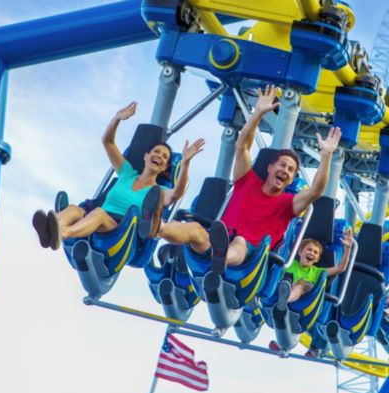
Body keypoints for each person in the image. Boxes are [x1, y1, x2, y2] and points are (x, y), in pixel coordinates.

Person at [139, 85, 342, 273]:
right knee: (195, 230)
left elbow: (316, 191)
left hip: (251, 255)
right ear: (270, 167)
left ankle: (221, 257)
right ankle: (157, 227)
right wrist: (258, 113)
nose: (286, 171)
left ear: (290, 181)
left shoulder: (288, 204)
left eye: (291, 170)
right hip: (219, 238)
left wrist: (326, 155)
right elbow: (242, 147)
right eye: (282, 165)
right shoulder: (247, 180)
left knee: (240, 243)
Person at [32, 101, 205, 250]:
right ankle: (50, 230)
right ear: (145, 156)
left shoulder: (158, 191)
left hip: (123, 228)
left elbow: (176, 194)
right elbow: (107, 142)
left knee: (98, 213)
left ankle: (63, 232)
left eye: (164, 156)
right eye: (156, 152)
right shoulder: (127, 172)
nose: (159, 156)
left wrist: (185, 163)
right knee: (74, 209)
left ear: (164, 168)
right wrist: (116, 118)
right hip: (96, 218)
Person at [269, 230, 354, 356]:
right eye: (309, 250)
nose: (311, 253)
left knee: (302, 285)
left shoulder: (317, 271)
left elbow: (340, 268)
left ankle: (316, 347)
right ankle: (283, 342)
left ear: (317, 259)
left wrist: (347, 249)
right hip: (289, 293)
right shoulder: (291, 263)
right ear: (300, 252)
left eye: (315, 252)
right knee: (285, 280)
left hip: (308, 300)